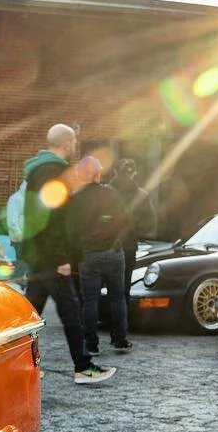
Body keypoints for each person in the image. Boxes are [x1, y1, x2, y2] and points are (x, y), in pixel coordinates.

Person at [21, 124, 115, 384]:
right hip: (51, 256)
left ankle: (19, 368)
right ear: (67, 143)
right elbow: (53, 219)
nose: (75, 147)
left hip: (39, 253)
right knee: (70, 311)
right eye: (74, 142)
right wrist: (61, 257)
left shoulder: (37, 170)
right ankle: (83, 366)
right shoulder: (51, 171)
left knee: (29, 316)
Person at [68, 156, 132, 353]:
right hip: (113, 253)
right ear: (98, 173)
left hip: (89, 255)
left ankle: (91, 343)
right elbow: (125, 221)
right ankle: (120, 339)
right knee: (118, 298)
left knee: (89, 301)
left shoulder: (75, 198)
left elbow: (70, 229)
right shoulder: (111, 194)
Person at [110, 158, 155, 310]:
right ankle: (121, 326)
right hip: (128, 247)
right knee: (124, 287)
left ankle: (96, 323)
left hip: (102, 246)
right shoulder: (142, 196)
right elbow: (150, 224)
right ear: (134, 173)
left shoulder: (104, 192)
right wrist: (133, 231)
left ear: (115, 171)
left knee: (97, 288)